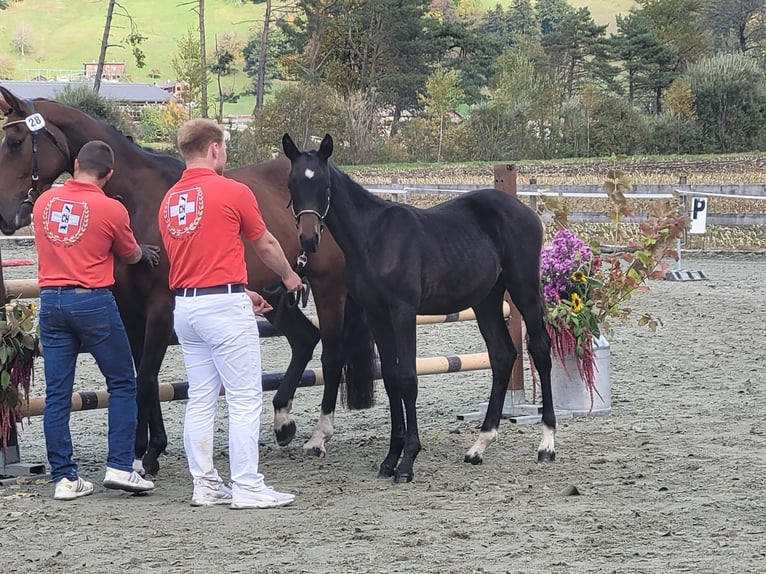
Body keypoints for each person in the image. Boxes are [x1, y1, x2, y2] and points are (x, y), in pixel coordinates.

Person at [158, 118, 303, 509]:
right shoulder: (231, 191)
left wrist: (242, 290)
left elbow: (193, 257)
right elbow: (266, 244)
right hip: (222, 307)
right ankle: (247, 485)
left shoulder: (171, 200)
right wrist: (290, 278)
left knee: (201, 398)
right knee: (244, 398)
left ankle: (204, 483)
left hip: (187, 306)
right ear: (215, 149)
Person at [32, 140, 161, 501]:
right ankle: (120, 466)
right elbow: (130, 252)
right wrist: (143, 254)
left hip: (51, 302)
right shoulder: (110, 209)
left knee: (57, 394)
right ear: (109, 175)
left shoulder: (44, 203)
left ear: (75, 164)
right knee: (122, 382)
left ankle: (65, 477)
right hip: (92, 302)